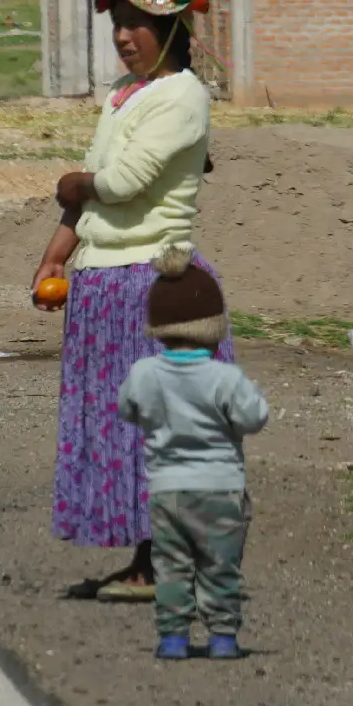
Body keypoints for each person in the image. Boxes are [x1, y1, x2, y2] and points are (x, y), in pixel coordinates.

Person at [32, 0, 236, 602]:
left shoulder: (182, 96)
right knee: (120, 425)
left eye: (138, 26)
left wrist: (72, 183)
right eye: (118, 24)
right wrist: (55, 255)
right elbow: (90, 191)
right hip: (102, 282)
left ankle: (165, 565)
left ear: (171, 30)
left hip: (151, 281)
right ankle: (153, 560)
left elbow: (117, 185)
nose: (124, 36)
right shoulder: (123, 96)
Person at [118, 248, 268, 659]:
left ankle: (173, 639)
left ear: (158, 327)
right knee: (221, 568)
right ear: (214, 325)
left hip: (168, 491)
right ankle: (222, 638)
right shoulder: (225, 378)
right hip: (221, 490)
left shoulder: (145, 373)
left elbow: (128, 409)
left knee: (172, 568)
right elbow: (255, 418)